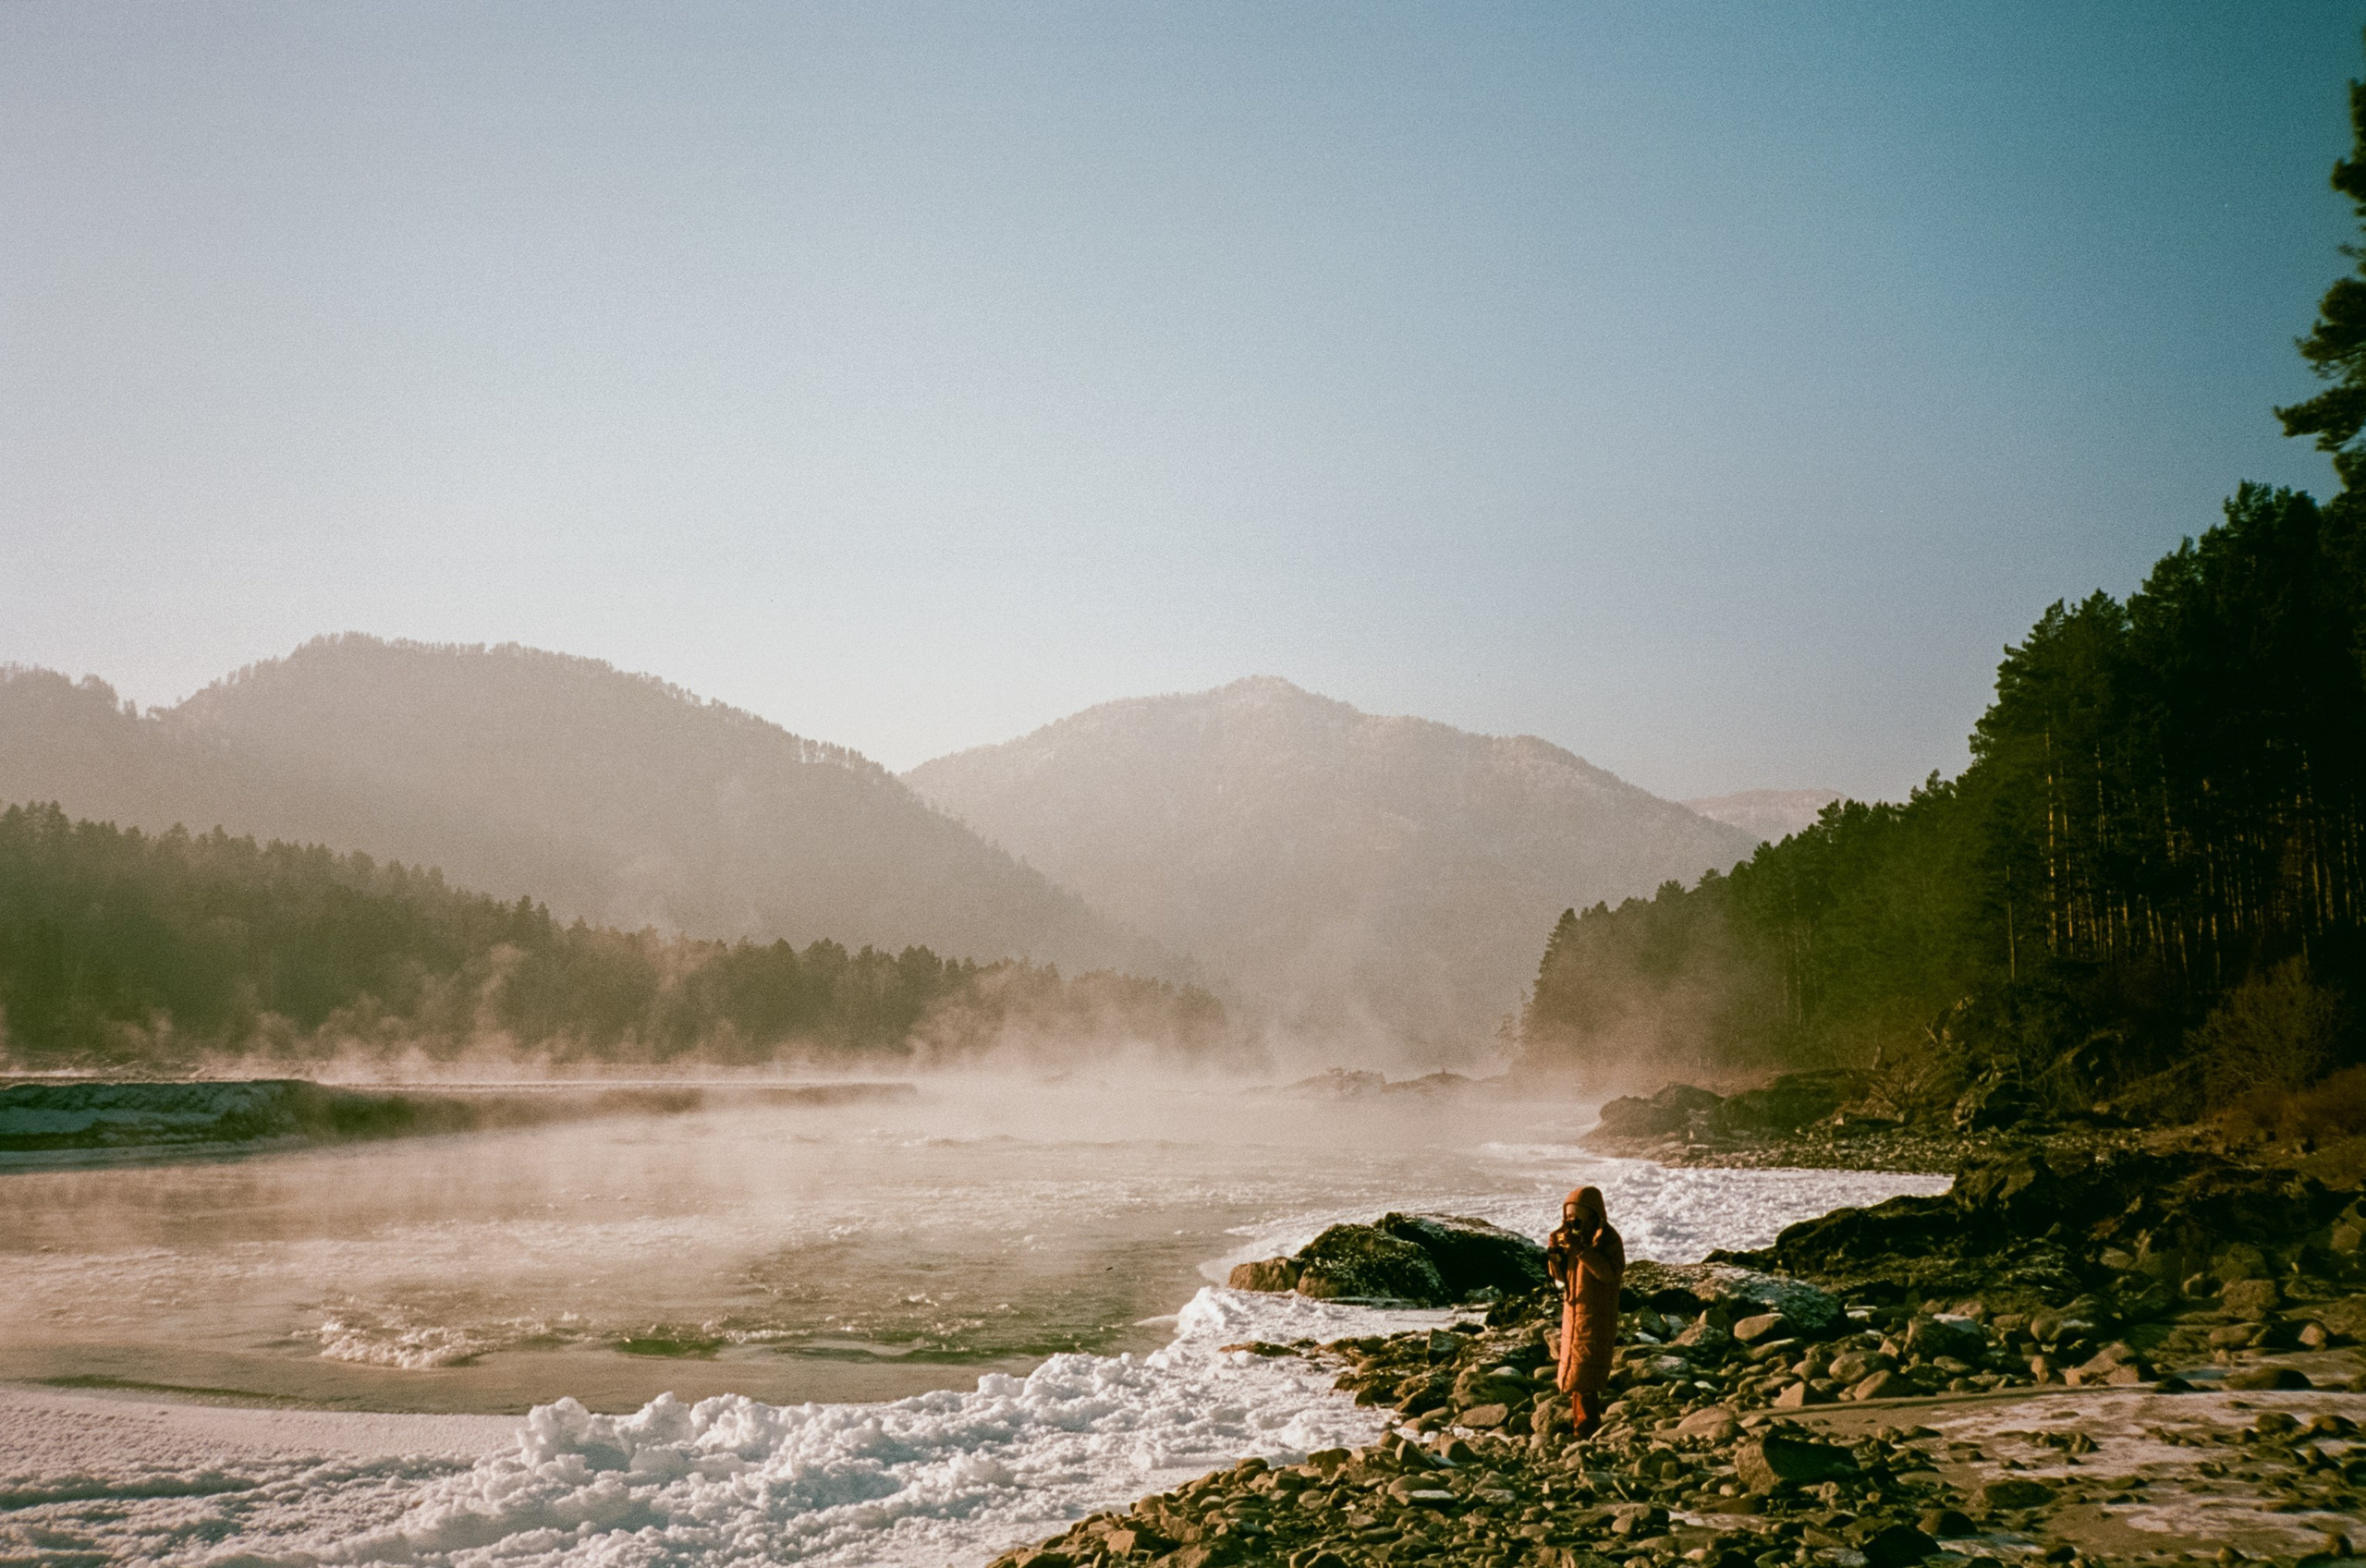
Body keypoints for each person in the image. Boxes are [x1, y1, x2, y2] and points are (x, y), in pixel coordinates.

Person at [1544, 1185, 1623, 1439]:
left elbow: (1609, 1273)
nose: (1571, 1222)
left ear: (1593, 1215)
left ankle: (1586, 1430)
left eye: (1577, 1216)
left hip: (1596, 1314)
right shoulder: (1574, 1240)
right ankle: (1582, 1427)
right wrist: (1555, 1253)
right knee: (1575, 1373)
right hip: (1575, 1312)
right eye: (1568, 1216)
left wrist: (1582, 1251)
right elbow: (1560, 1279)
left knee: (1585, 1375)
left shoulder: (1607, 1240)